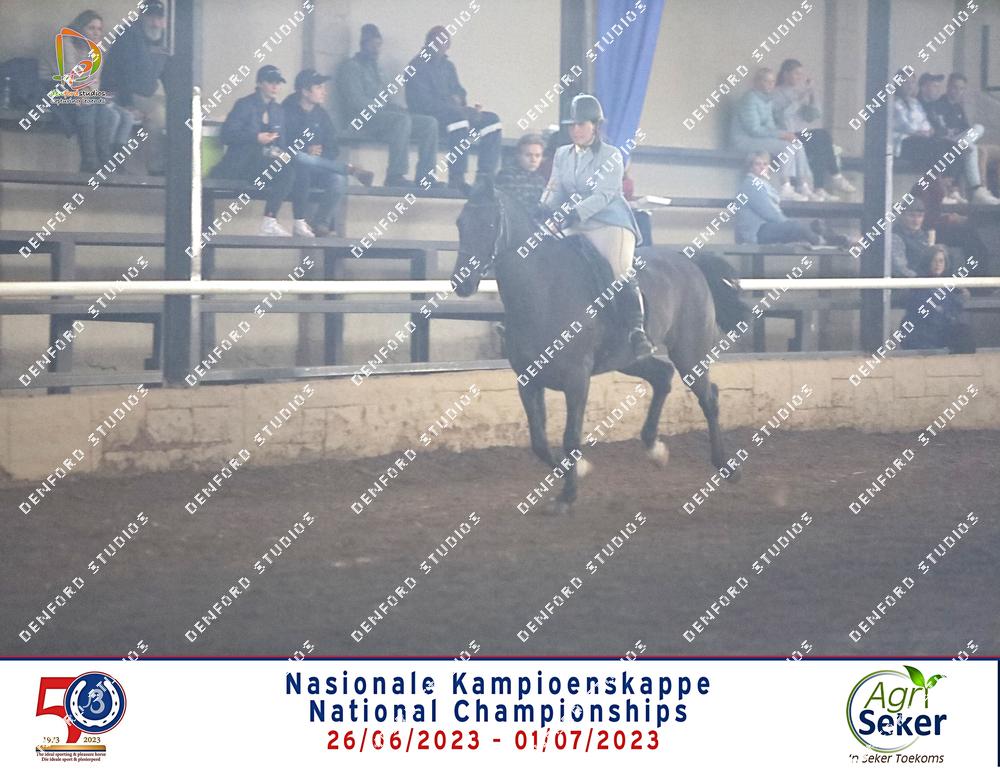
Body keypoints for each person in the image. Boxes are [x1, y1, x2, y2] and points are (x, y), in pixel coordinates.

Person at [541, 94, 655, 359]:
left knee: (619, 269)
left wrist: (572, 213)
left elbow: (603, 195)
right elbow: (554, 188)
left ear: (595, 125)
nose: (575, 130)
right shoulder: (562, 154)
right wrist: (543, 207)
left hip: (610, 223)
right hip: (576, 223)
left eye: (581, 124)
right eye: (572, 125)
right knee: (544, 255)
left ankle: (637, 331)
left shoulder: (611, 155)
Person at [335, 24, 439, 188]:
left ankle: (426, 177)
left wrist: (397, 109)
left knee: (429, 123)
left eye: (378, 45)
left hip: (382, 117)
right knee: (401, 121)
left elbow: (385, 99)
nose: (376, 49)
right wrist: (384, 109)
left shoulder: (378, 69)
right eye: (372, 45)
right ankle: (395, 175)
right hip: (361, 119)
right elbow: (355, 102)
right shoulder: (351, 67)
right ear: (363, 44)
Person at [405, 25, 503, 194]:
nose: (440, 45)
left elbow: (460, 91)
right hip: (430, 117)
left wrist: (463, 104)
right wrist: (456, 108)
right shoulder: (416, 66)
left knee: (492, 121)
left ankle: (484, 178)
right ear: (427, 43)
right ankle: (457, 177)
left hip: (455, 112)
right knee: (459, 120)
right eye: (436, 41)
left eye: (444, 42)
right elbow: (422, 103)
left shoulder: (448, 66)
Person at [281, 69, 374, 237]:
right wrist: (305, 150)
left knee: (338, 179)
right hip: (292, 171)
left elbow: (333, 147)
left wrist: (320, 154)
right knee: (301, 157)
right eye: (319, 87)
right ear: (305, 91)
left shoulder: (321, 114)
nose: (324, 92)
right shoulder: (285, 111)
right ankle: (349, 169)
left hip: (317, 169)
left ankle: (321, 223)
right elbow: (281, 146)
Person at [211, 65, 296, 236]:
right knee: (284, 170)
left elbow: (282, 142)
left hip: (263, 163)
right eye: (270, 82)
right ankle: (271, 222)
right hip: (240, 164)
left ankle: (275, 221)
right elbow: (227, 135)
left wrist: (281, 153)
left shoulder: (278, 110)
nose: (275, 86)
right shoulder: (244, 104)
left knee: (291, 168)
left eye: (278, 83)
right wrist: (256, 138)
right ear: (259, 83)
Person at [55, 10, 135, 172]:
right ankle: (90, 161)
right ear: (80, 28)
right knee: (89, 106)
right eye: (91, 28)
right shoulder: (67, 41)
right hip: (59, 91)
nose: (96, 33)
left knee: (117, 114)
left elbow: (95, 81)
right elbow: (71, 74)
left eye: (99, 29)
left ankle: (108, 161)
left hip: (86, 94)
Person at [772, 59, 856, 200]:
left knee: (821, 143)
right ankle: (836, 176)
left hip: (801, 133)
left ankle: (820, 188)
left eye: (801, 74)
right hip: (786, 134)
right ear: (786, 74)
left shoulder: (799, 92)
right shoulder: (776, 93)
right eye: (796, 73)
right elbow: (783, 115)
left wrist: (812, 95)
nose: (799, 77)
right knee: (821, 135)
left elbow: (813, 116)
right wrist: (800, 98)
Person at [100, 0, 168, 174]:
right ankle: (156, 170)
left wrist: (180, 102)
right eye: (150, 17)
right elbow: (122, 74)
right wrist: (127, 104)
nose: (155, 22)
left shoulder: (165, 39)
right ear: (141, 16)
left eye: (159, 17)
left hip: (147, 94)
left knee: (180, 115)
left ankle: (176, 168)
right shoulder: (129, 35)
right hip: (121, 93)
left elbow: (168, 74)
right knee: (159, 117)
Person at [730, 67, 813, 201]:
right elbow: (753, 129)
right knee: (787, 147)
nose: (770, 85)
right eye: (766, 81)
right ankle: (785, 187)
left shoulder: (767, 100)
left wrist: (784, 135)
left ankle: (803, 186)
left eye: (772, 82)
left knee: (796, 143)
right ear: (757, 82)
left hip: (759, 139)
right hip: (744, 140)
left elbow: (770, 127)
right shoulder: (749, 99)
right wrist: (782, 135)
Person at [925, 73, 1000, 205]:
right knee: (970, 148)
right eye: (955, 87)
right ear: (948, 87)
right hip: (945, 140)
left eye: (961, 88)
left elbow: (966, 128)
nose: (958, 91)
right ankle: (977, 190)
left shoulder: (959, 107)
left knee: (978, 130)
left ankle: (976, 189)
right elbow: (938, 129)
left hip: (958, 140)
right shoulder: (938, 104)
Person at [734, 151, 823, 245]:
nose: (762, 167)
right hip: (756, 232)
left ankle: (818, 238)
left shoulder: (762, 183)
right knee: (797, 227)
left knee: (809, 226)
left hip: (766, 227)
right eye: (758, 164)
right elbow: (769, 213)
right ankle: (820, 243)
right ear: (751, 167)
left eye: (765, 164)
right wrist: (789, 224)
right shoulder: (751, 185)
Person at [901, 246, 975, 353]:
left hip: (940, 331)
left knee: (963, 332)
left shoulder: (947, 284)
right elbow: (920, 313)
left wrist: (961, 297)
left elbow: (953, 311)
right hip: (920, 332)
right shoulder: (918, 283)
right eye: (934, 260)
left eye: (941, 261)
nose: (938, 264)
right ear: (927, 262)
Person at [496, 133, 546, 212]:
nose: (533, 160)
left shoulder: (540, 180)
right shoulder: (507, 176)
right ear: (518, 155)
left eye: (537, 156)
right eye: (528, 155)